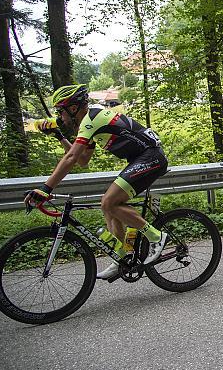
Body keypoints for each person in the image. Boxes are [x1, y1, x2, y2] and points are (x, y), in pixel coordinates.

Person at [24, 84, 169, 279]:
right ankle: (123, 256)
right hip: (140, 158)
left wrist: (45, 188)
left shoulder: (91, 119)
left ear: (73, 108)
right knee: (109, 205)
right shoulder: (90, 121)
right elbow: (83, 160)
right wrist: (59, 136)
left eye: (61, 111)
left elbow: (71, 158)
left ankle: (156, 237)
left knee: (109, 202)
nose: (60, 117)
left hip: (151, 156)